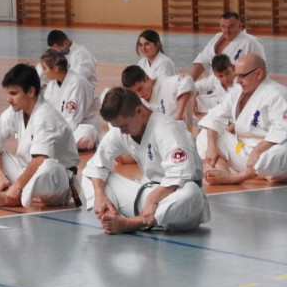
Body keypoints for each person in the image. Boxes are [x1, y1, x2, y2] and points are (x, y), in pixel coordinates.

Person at [81, 87, 210, 234]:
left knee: (192, 192)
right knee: (91, 176)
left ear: (139, 111)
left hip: (177, 205)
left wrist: (152, 199)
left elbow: (181, 175)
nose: (122, 131)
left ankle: (130, 223)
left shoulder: (167, 129)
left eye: (124, 126)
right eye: (118, 127)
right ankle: (112, 217)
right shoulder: (122, 130)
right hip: (147, 198)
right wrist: (100, 195)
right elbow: (96, 164)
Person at [0, 63, 82, 208]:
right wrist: (0, 174)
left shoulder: (45, 116)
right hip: (27, 173)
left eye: (13, 93)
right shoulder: (15, 111)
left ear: (31, 91)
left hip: (57, 182)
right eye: (8, 93)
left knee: (48, 166)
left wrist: (17, 186)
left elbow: (40, 159)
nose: (8, 99)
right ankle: (9, 192)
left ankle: (16, 195)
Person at [196, 53, 287, 185]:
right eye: (236, 75)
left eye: (242, 76)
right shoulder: (237, 91)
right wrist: (212, 146)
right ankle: (223, 171)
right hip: (242, 151)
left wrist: (257, 151)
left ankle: (237, 177)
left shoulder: (277, 94)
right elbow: (214, 117)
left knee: (280, 152)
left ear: (258, 73)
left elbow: (282, 130)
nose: (237, 80)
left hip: (265, 151)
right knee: (206, 134)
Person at [39, 49, 102, 151]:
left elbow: (73, 120)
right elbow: (47, 109)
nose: (43, 72)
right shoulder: (52, 84)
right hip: (59, 127)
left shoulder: (77, 83)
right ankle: (57, 143)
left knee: (87, 134)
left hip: (80, 125)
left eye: (45, 68)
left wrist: (52, 134)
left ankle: (56, 143)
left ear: (55, 68)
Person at [189, 11, 266, 80]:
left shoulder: (251, 42)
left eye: (231, 27)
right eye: (223, 26)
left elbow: (262, 69)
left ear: (240, 25)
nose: (227, 30)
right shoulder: (217, 38)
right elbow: (203, 60)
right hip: (214, 84)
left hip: (238, 86)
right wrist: (189, 80)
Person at [121, 64, 195, 130]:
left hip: (185, 131)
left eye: (140, 89)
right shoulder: (138, 101)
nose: (139, 95)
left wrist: (178, 116)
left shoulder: (165, 83)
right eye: (135, 92)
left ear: (147, 78)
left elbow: (187, 80)